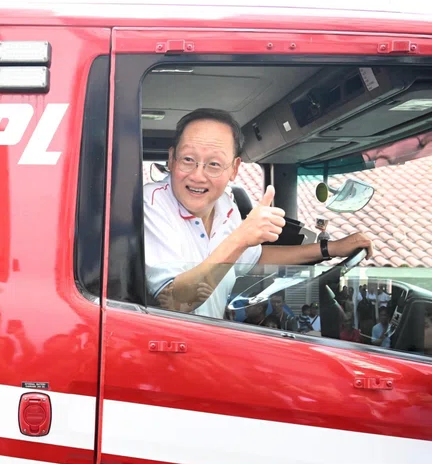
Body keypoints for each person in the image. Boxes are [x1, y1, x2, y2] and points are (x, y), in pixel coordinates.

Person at [144, 108, 373, 319]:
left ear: (234, 169)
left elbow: (252, 258)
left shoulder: (225, 204)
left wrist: (329, 249)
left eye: (214, 164)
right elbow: (173, 301)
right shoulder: (152, 203)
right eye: (188, 160)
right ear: (171, 159)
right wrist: (241, 238)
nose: (198, 175)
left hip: (209, 342)